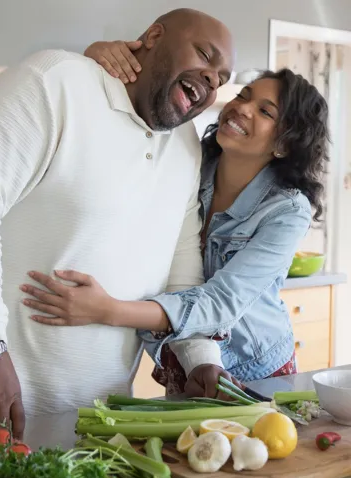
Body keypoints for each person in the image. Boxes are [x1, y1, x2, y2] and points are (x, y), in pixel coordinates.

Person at [0, 8, 235, 439]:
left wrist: (199, 357)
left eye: (221, 77)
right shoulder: (54, 83)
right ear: (154, 35)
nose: (211, 78)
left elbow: (180, 268)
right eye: (204, 54)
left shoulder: (185, 146)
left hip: (100, 414)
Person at [20, 50, 329, 397]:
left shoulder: (287, 210)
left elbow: (219, 303)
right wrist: (105, 56)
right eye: (244, 95)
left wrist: (109, 311)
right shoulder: (188, 164)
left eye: (265, 111)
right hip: (183, 356)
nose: (242, 108)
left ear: (285, 144)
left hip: (254, 368)